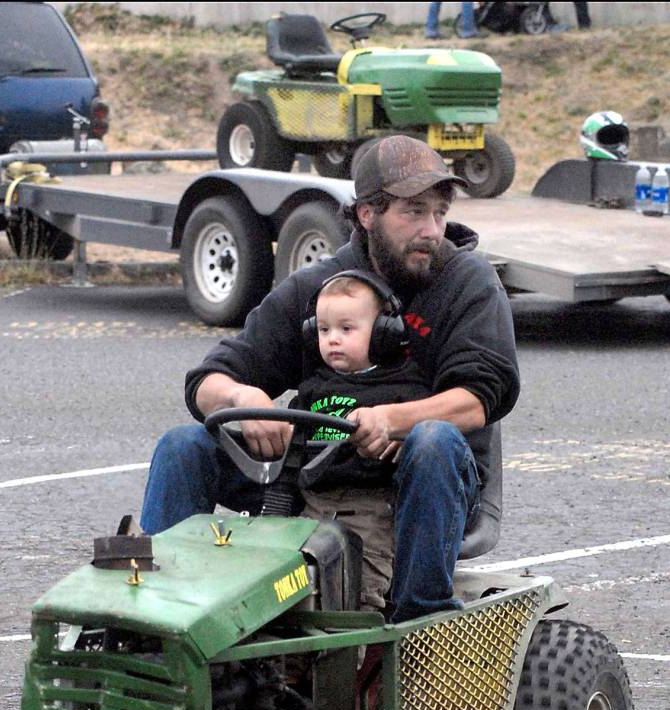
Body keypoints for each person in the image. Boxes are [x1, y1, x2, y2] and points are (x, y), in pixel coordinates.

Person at [140, 134, 520, 622]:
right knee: (184, 445)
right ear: (367, 215)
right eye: (414, 212)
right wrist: (246, 395)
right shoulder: (320, 287)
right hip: (317, 479)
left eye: (439, 212)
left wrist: (390, 420)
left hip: (424, 482)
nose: (431, 228)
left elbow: (479, 399)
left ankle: (418, 617)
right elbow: (207, 381)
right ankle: (163, 616)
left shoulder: (468, 282)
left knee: (433, 439)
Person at [296, 269, 432, 614]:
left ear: (384, 333)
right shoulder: (314, 387)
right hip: (311, 505)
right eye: (324, 330)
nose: (333, 340)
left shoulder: (404, 389)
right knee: (292, 592)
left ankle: (349, 664)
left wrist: (404, 433)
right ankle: (291, 667)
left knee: (356, 592)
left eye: (346, 329)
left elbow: (426, 436)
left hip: (370, 510)